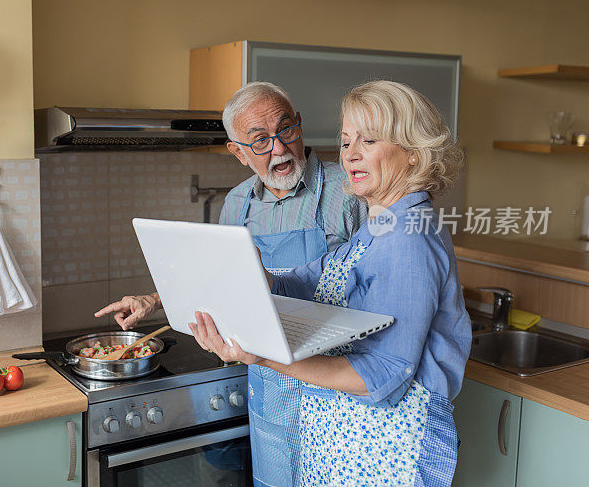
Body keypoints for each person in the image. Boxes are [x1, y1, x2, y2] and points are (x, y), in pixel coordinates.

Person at [190, 80, 472, 486]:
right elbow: (304, 283)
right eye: (345, 142)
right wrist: (249, 272)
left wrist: (264, 357)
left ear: (413, 152)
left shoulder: (409, 236)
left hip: (386, 456)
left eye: (369, 140)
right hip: (349, 447)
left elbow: (382, 374)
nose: (351, 154)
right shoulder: (381, 226)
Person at [95, 81, 368, 486]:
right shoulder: (238, 203)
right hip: (268, 383)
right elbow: (217, 280)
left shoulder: (349, 193)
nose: (278, 149)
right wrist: (154, 299)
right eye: (259, 141)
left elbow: (373, 290)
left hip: (334, 387)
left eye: (285, 130)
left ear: (300, 125)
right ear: (238, 152)